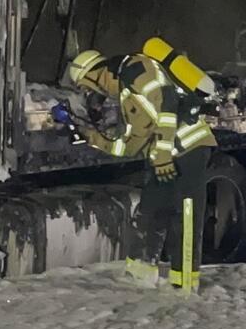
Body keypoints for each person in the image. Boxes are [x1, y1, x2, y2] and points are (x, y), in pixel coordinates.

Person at [67, 44, 217, 292]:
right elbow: (129, 145)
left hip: (189, 149)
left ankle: (185, 286)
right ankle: (140, 276)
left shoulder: (137, 69)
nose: (92, 92)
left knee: (186, 216)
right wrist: (90, 136)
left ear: (97, 74)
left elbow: (167, 104)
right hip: (164, 156)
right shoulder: (127, 93)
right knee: (150, 211)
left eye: (87, 85)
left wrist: (163, 155)